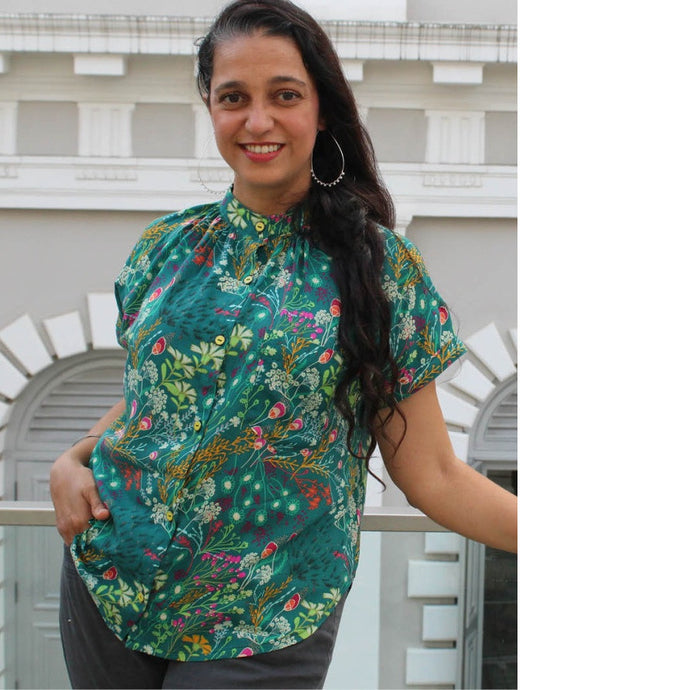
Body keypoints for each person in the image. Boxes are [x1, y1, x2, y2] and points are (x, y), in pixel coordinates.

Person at [49, 1, 517, 687]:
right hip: (112, 580)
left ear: (321, 109)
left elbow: (434, 475)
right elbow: (156, 402)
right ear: (211, 107)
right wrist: (74, 456)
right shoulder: (167, 248)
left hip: (266, 614)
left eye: (285, 96)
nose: (257, 120)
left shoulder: (378, 270)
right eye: (233, 98)